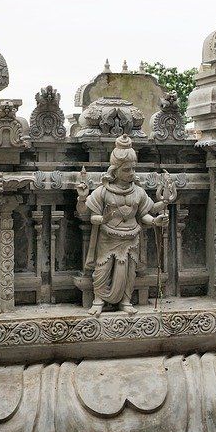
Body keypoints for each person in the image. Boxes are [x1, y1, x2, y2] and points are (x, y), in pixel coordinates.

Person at [76, 134, 173, 316]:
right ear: (115, 171)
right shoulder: (103, 191)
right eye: (127, 170)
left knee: (129, 271)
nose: (131, 173)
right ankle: (99, 300)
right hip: (108, 237)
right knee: (102, 268)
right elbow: (86, 213)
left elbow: (145, 213)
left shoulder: (138, 191)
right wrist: (83, 198)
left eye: (133, 169)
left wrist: (155, 220)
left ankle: (126, 300)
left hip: (131, 237)